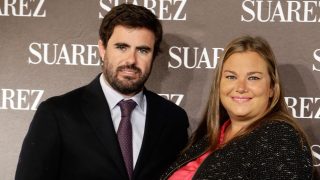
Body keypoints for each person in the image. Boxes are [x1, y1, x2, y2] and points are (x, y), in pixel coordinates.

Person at [15, 4, 189, 180]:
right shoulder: (57, 114)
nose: (131, 60)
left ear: (153, 56)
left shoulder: (173, 119)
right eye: (122, 47)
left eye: (143, 50)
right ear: (102, 48)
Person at [161, 35, 313, 179]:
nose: (241, 87)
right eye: (231, 77)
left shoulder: (279, 137)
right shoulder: (208, 138)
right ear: (219, 84)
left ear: (272, 88)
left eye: (253, 78)